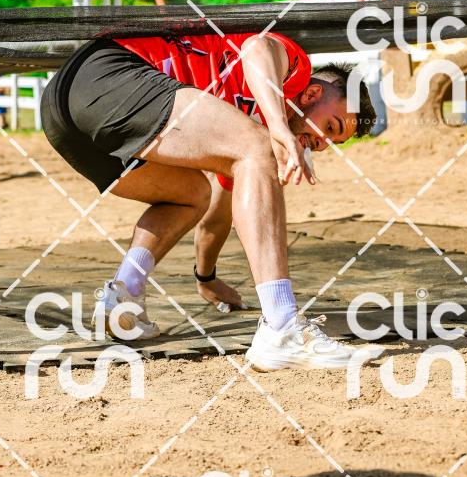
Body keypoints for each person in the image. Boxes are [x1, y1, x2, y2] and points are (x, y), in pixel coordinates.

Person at [40, 32, 375, 371]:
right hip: (102, 74)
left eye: (333, 142)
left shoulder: (240, 135)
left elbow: (219, 213)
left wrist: (206, 276)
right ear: (312, 93)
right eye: (330, 126)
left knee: (193, 195)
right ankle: (282, 327)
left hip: (64, 117)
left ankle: (124, 294)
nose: (322, 143)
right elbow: (257, 47)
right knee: (261, 148)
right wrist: (276, 128)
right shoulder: (294, 71)